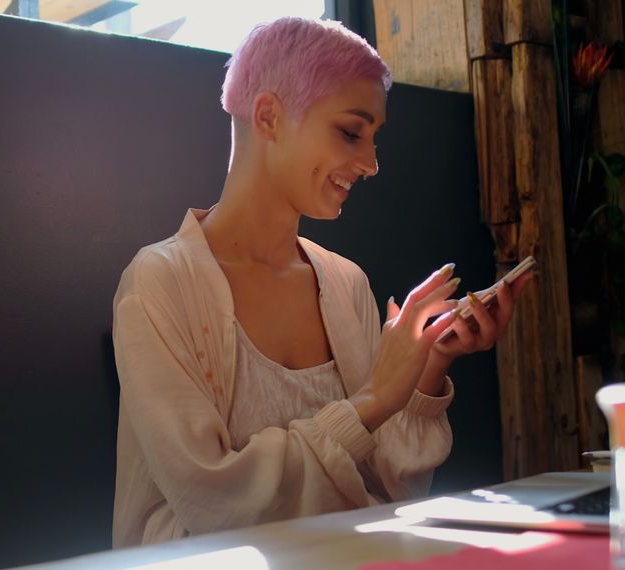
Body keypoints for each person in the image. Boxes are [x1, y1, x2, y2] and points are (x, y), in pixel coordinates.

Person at [110, 17, 533, 548]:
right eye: (352, 132)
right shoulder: (158, 283)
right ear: (268, 116)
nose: (372, 164)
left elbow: (386, 487)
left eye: (373, 139)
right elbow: (212, 501)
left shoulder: (344, 282)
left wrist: (426, 366)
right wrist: (376, 396)